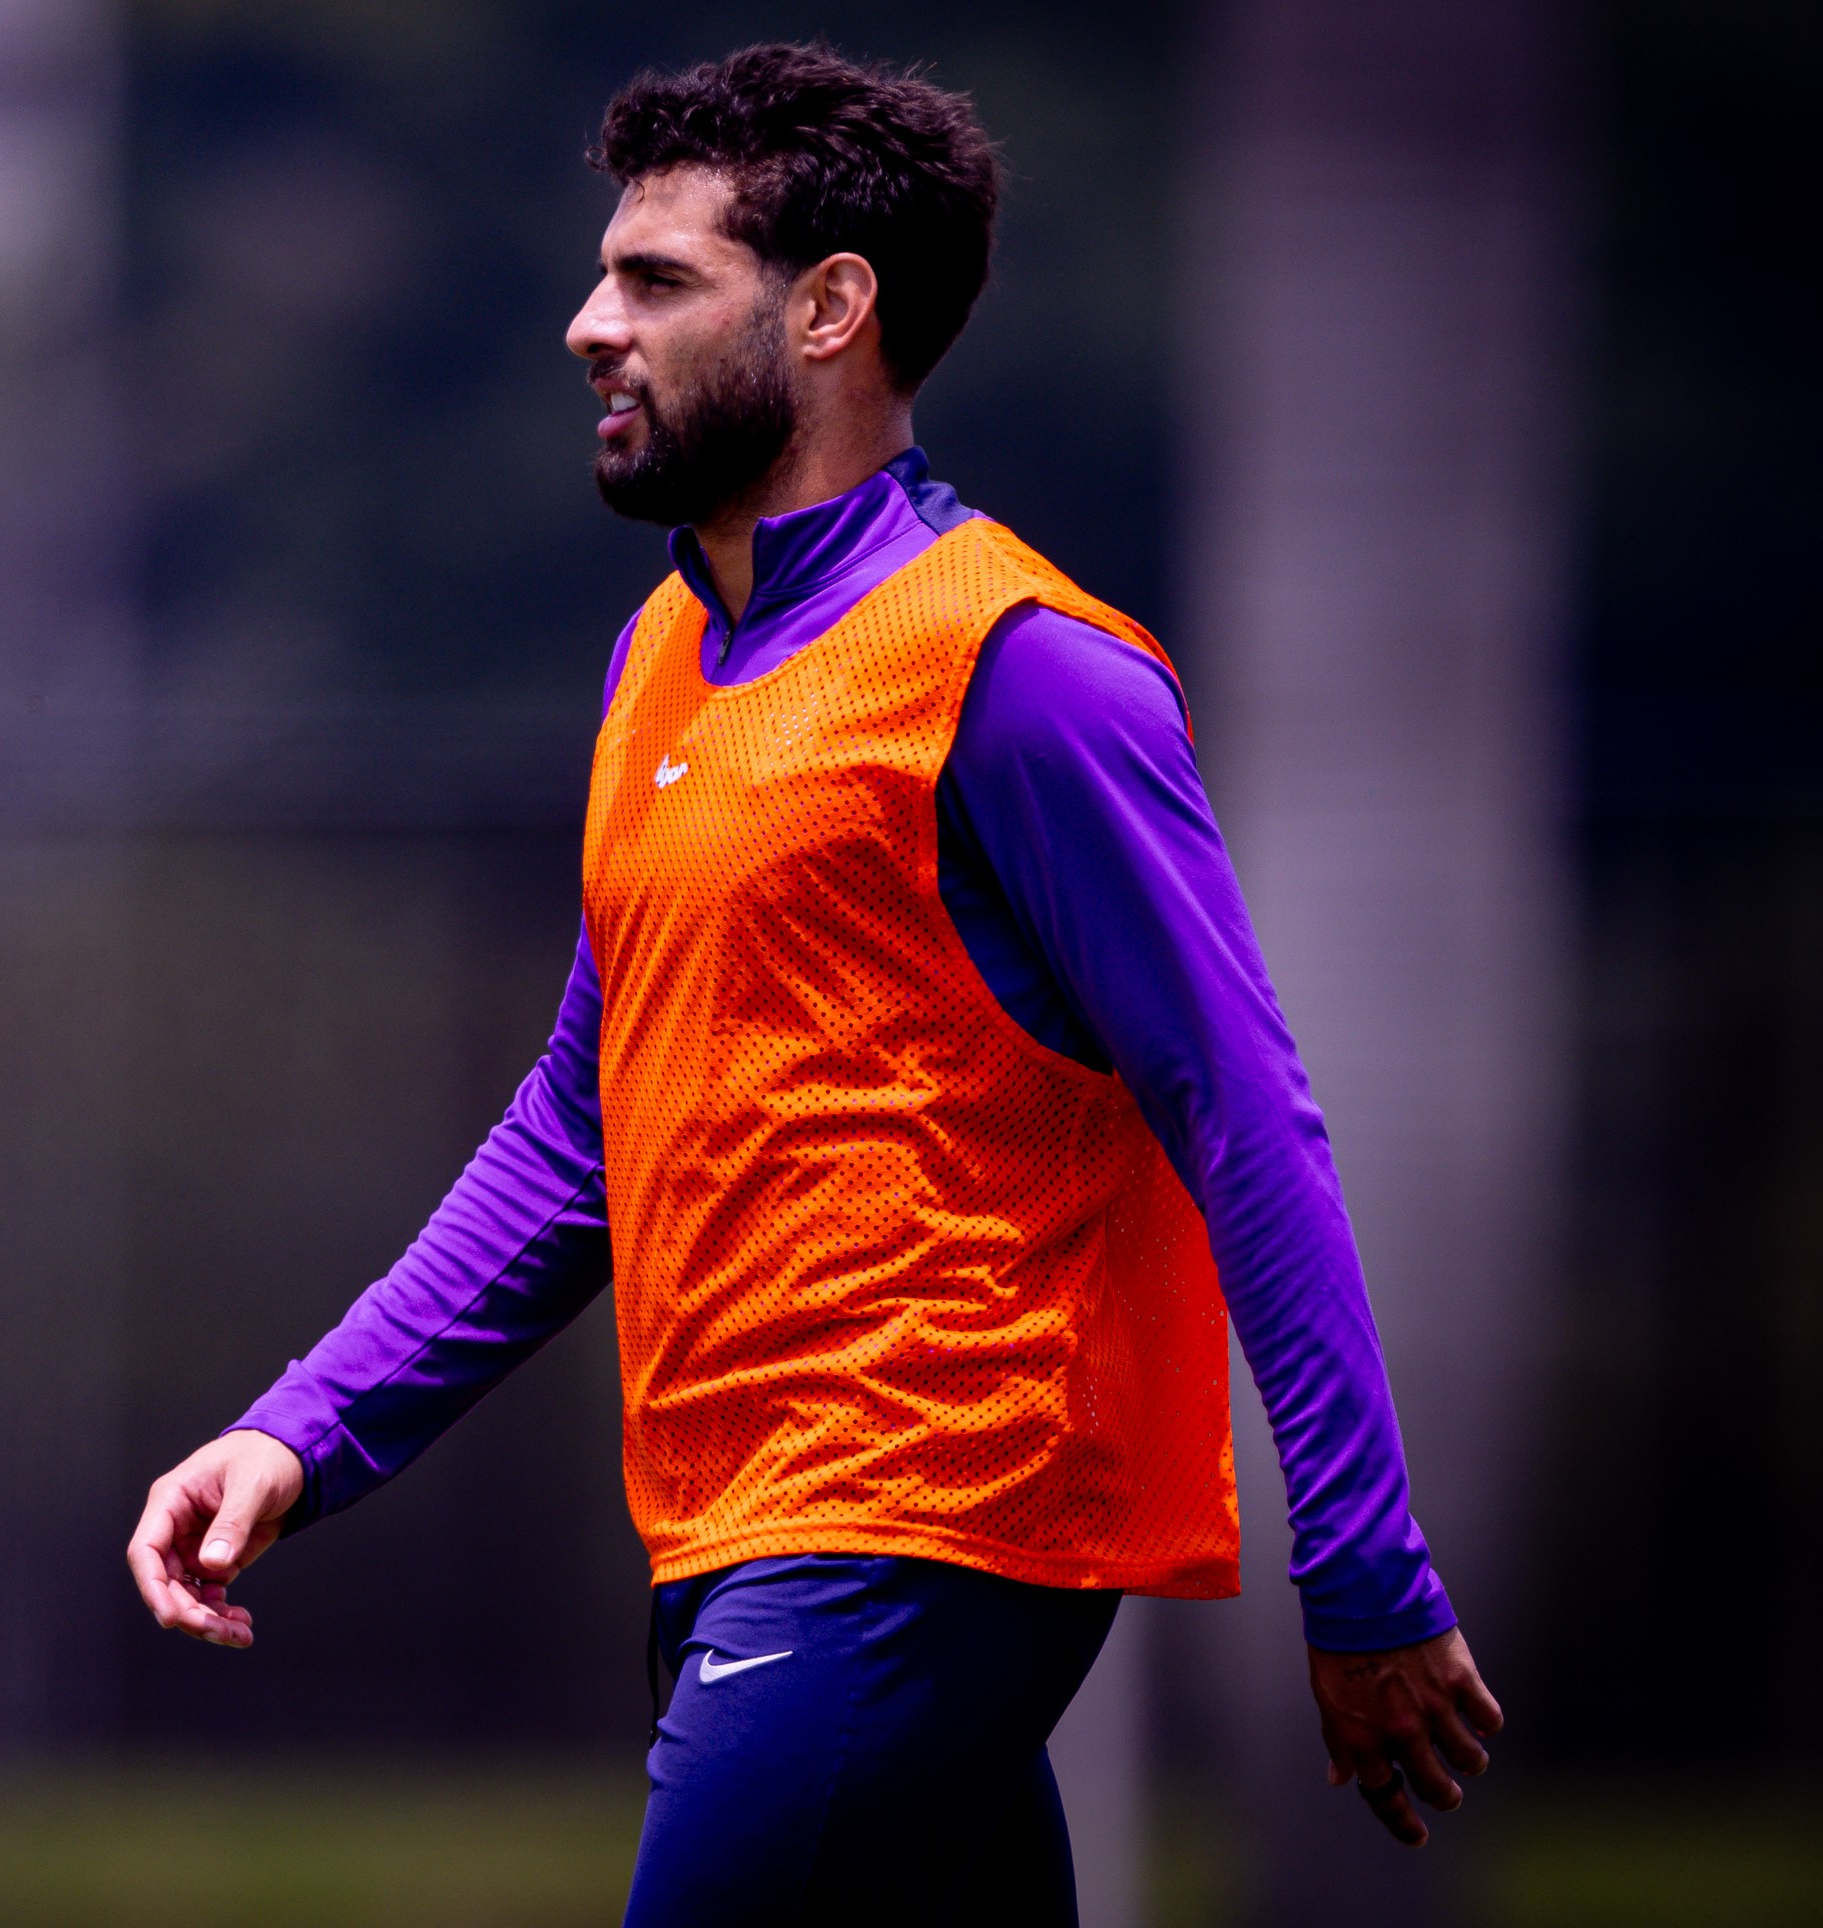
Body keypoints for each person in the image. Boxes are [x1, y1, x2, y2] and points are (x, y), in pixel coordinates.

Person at [125, 42, 1504, 1924]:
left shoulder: (1026, 675)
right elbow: (580, 1130)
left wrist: (1365, 1573)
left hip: (915, 1532)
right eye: (607, 273)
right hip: (745, 1537)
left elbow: (1246, 1117)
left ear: (833, 310)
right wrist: (304, 1426)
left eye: (658, 281)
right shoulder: (659, 661)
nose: (586, 327)